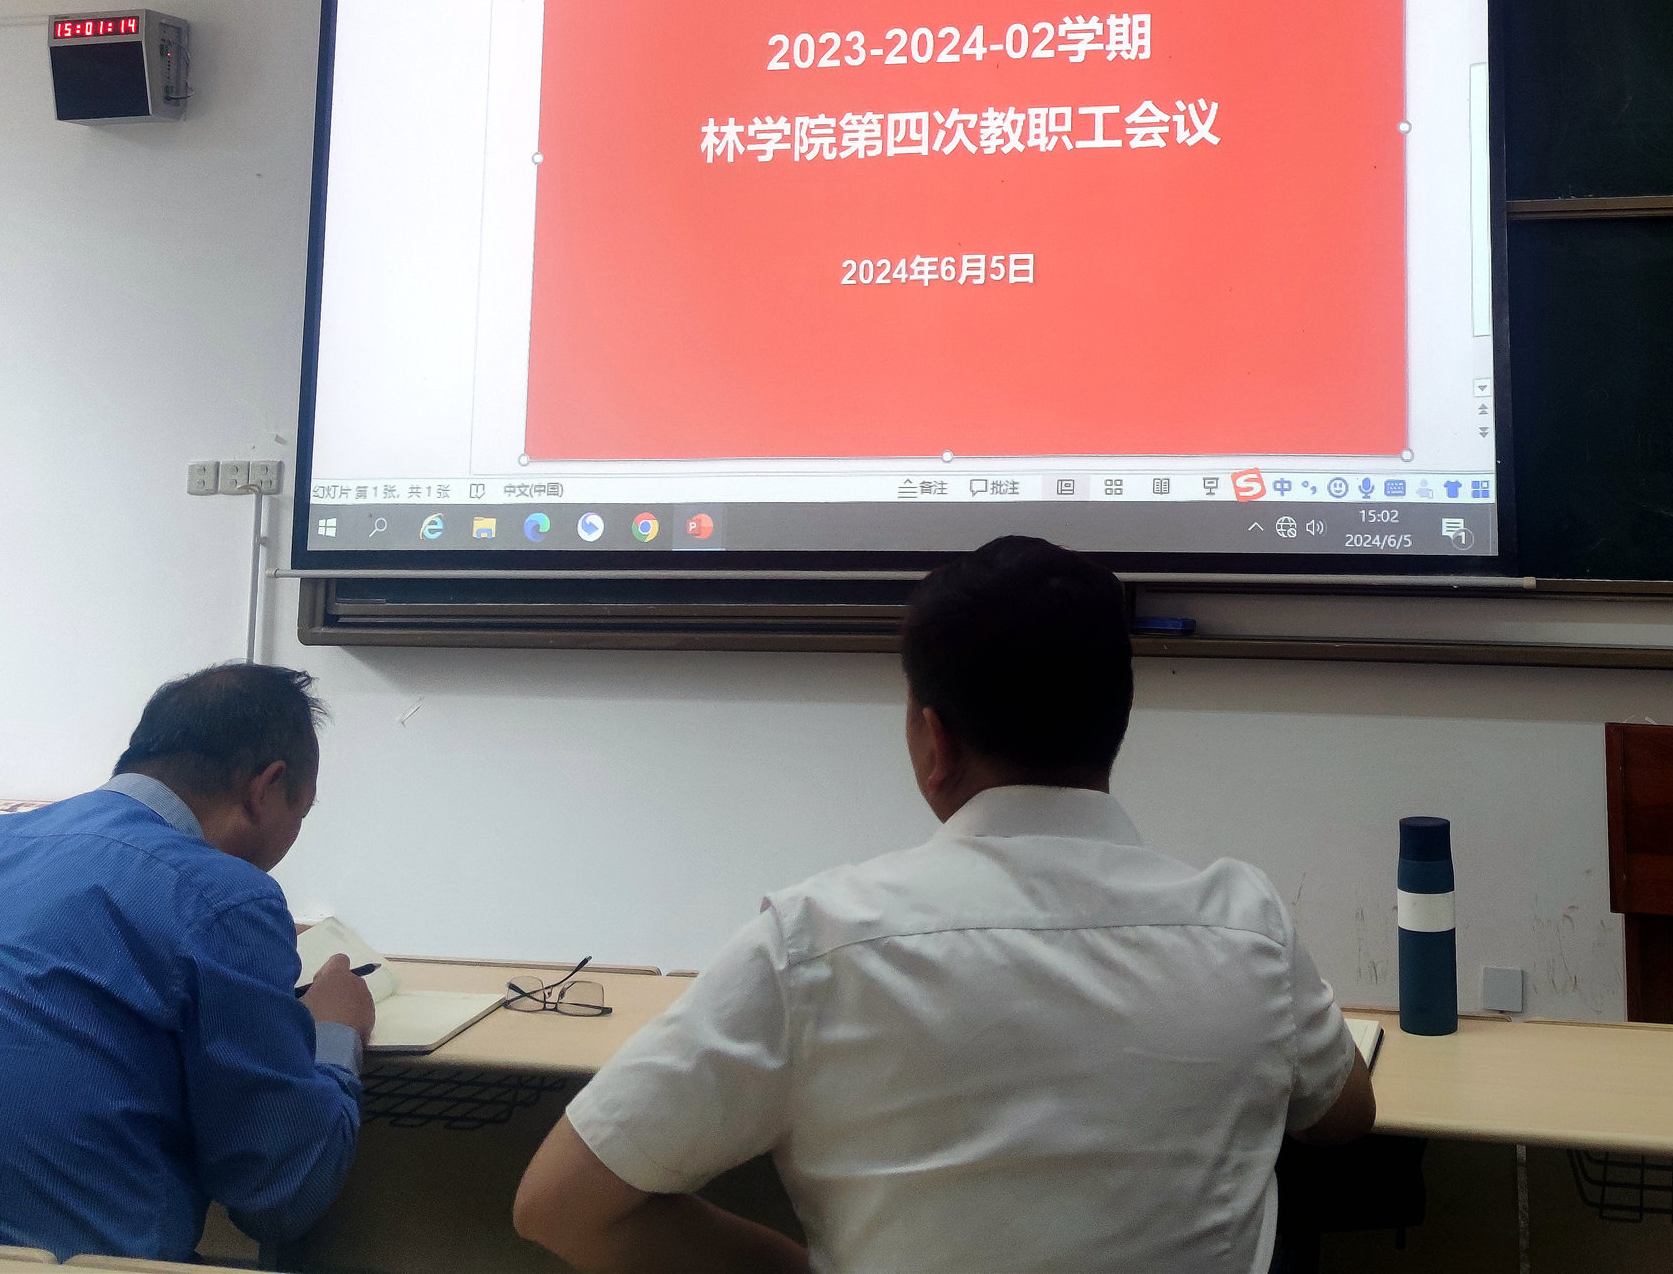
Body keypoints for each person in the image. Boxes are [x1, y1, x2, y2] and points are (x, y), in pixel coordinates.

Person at [516, 534, 1374, 1273]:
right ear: (1117, 718)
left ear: (935, 740)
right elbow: (1343, 1118)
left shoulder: (813, 946)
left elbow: (559, 1208)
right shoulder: (1245, 923)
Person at [0, 662, 372, 1259]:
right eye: (300, 812)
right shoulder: (223, 898)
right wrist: (335, 1031)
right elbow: (282, 1196)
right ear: (266, 788)